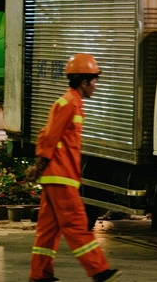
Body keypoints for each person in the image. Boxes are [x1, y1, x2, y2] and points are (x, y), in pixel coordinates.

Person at [26, 53, 121, 282]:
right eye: (94, 80)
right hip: (60, 177)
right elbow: (49, 136)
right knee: (77, 224)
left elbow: (47, 134)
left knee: (48, 229)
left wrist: (41, 167)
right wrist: (39, 164)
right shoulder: (69, 103)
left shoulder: (71, 103)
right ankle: (99, 271)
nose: (96, 85)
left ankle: (40, 274)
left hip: (56, 176)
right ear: (83, 81)